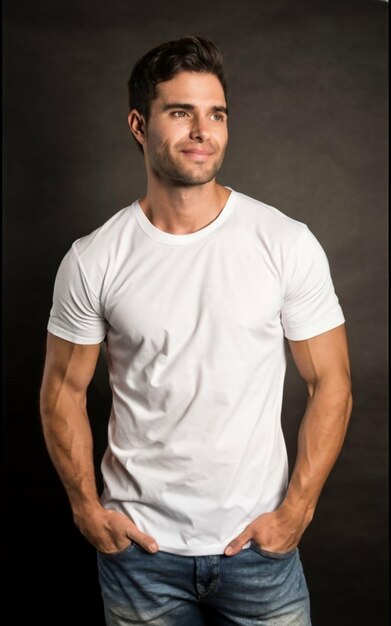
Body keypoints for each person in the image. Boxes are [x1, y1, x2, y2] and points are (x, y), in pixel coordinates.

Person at [40, 35, 353, 626]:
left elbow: (331, 381)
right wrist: (85, 508)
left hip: (260, 550)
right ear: (139, 124)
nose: (202, 130)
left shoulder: (283, 242)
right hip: (139, 554)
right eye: (181, 112)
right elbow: (62, 390)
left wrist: (297, 511)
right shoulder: (93, 259)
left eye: (215, 114)